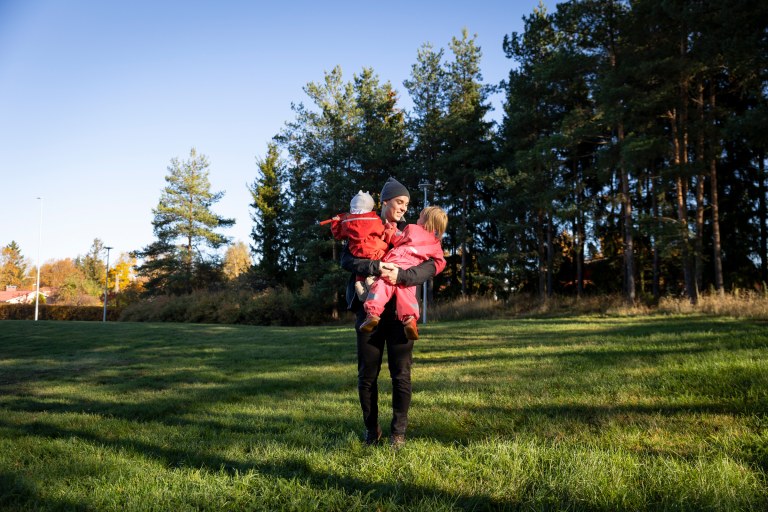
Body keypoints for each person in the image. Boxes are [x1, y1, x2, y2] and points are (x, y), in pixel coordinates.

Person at [340, 177, 438, 449]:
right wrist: (378, 268)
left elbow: (431, 267)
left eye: (406, 204)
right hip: (368, 310)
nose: (403, 208)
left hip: (401, 314)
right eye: (399, 202)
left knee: (401, 374)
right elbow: (347, 260)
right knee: (366, 375)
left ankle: (398, 434)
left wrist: (403, 274)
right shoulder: (362, 224)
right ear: (384, 202)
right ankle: (372, 431)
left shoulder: (413, 231)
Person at [359, 206, 447, 341]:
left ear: (425, 221)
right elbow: (440, 262)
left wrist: (390, 228)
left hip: (393, 264)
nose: (417, 218)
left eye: (420, 217)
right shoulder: (436, 244)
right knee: (407, 295)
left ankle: (373, 314)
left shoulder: (413, 229)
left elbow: (397, 238)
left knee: (380, 287)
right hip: (408, 271)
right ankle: (410, 320)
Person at [326, 190, 396, 300]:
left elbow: (338, 235)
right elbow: (382, 232)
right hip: (375, 250)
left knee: (360, 268)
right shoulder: (375, 219)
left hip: (357, 252)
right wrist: (389, 229)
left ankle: (360, 284)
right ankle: (373, 283)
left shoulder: (347, 222)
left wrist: (335, 222)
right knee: (382, 255)